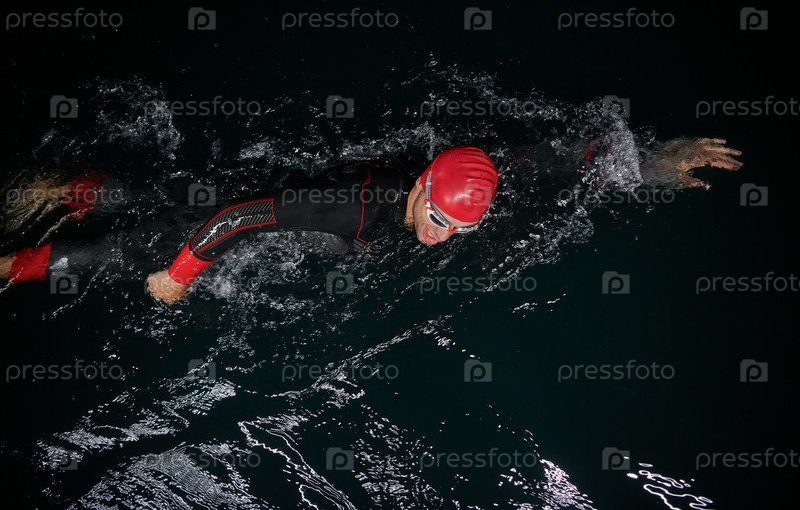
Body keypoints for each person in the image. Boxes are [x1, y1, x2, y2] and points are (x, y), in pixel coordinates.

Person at [0, 139, 742, 304]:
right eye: (439, 216)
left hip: (288, 192)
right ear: (421, 186)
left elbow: (558, 159)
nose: (441, 233)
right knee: (126, 253)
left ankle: (87, 187)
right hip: (262, 209)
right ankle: (18, 257)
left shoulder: (466, 181)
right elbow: (244, 216)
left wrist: (650, 164)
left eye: (458, 228)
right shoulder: (353, 210)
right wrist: (182, 274)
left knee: (168, 195)